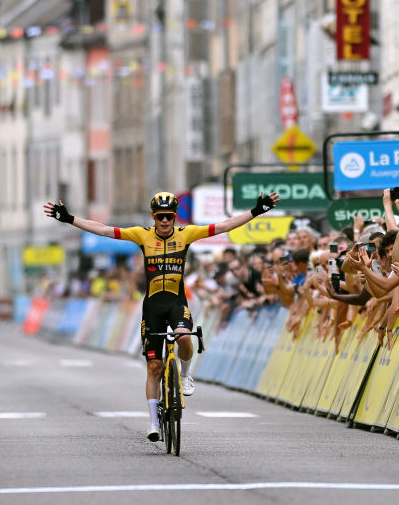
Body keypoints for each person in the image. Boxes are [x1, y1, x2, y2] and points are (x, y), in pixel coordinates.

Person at [44, 190, 279, 443]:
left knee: (184, 337)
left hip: (177, 303)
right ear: (153, 217)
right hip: (152, 307)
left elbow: (223, 226)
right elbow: (102, 229)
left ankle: (186, 374)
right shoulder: (141, 235)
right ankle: (153, 422)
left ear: (175, 217)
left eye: (169, 216)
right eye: (160, 217)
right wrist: (69, 219)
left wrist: (256, 212)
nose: (165, 221)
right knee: (154, 366)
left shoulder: (186, 234)